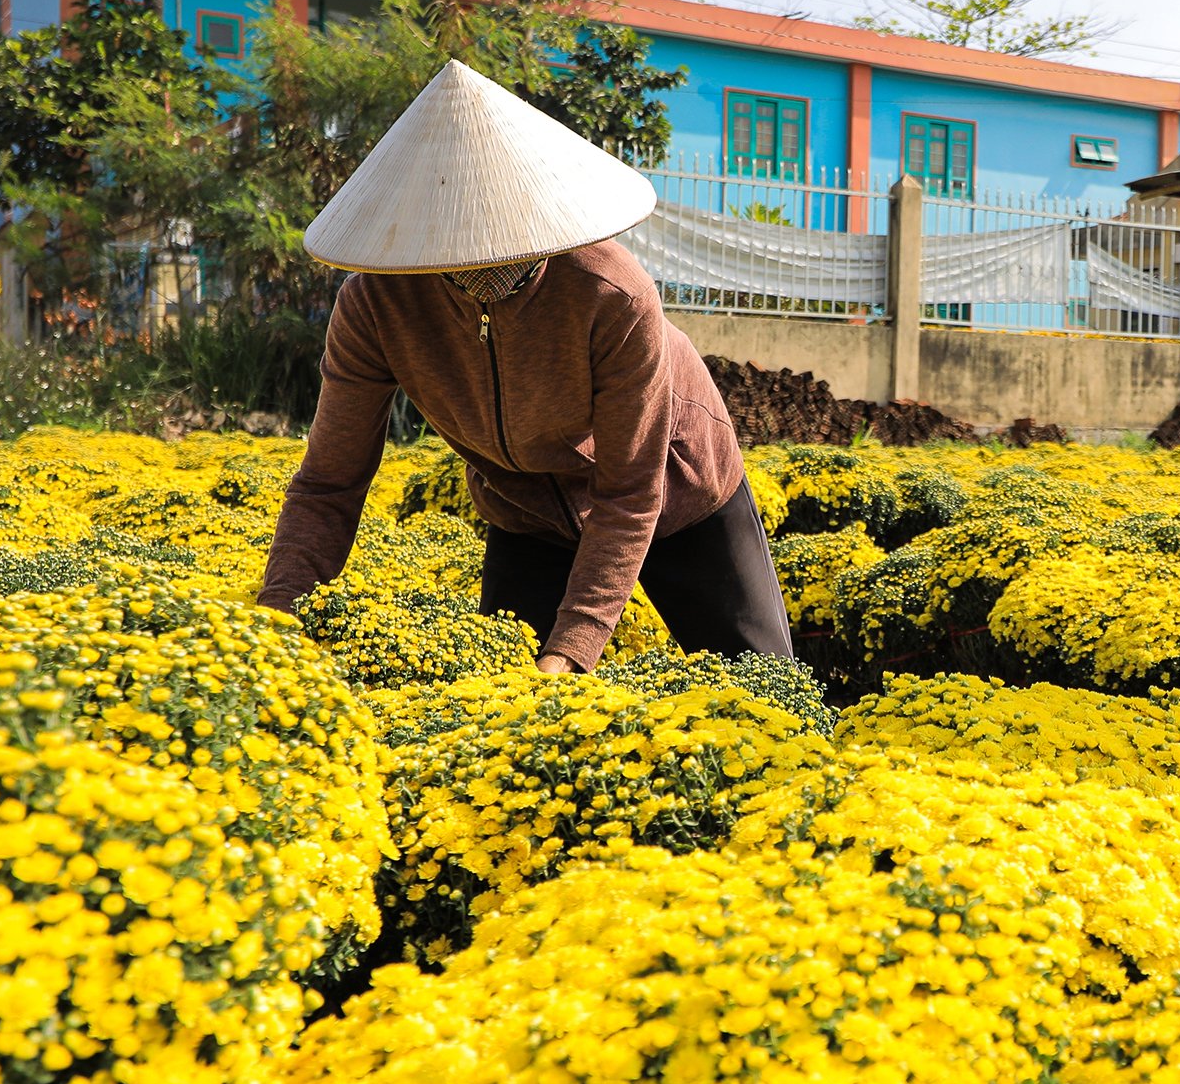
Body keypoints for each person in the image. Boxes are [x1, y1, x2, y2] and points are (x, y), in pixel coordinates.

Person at [256, 58, 789, 672]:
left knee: (761, 681)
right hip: (525, 510)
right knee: (503, 701)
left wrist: (572, 649)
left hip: (679, 490)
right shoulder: (376, 305)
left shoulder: (611, 295)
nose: (485, 260)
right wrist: (280, 622)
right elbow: (330, 482)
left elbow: (629, 493)